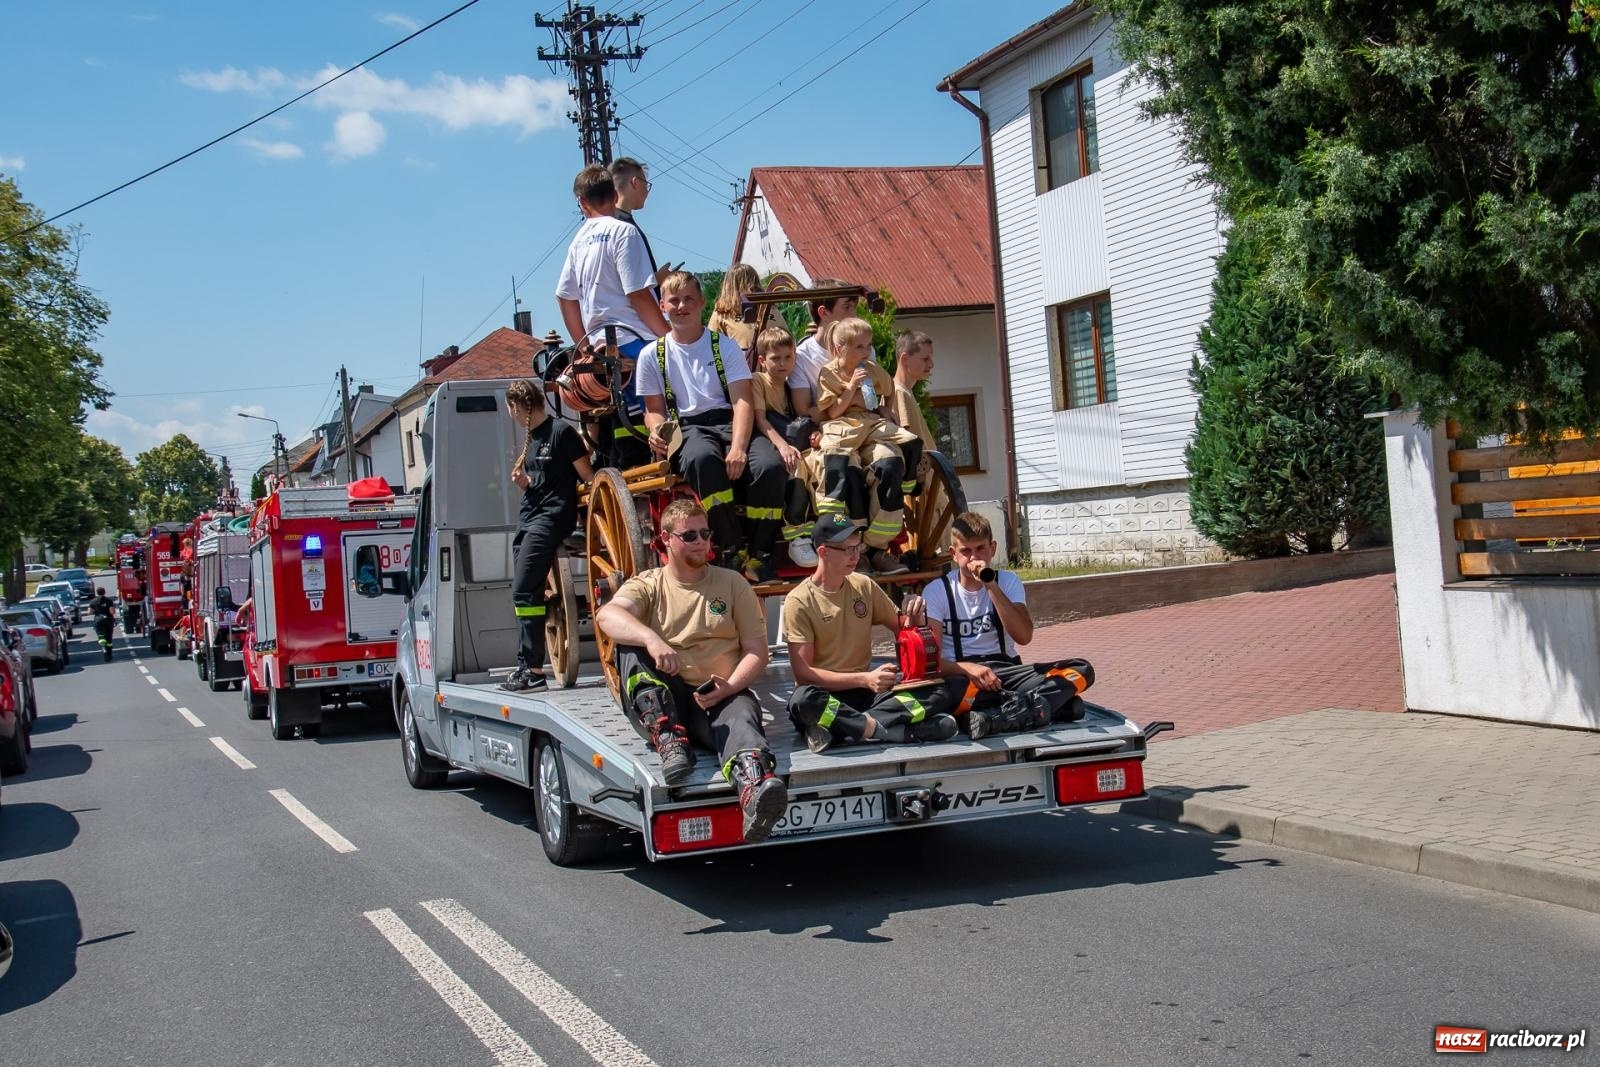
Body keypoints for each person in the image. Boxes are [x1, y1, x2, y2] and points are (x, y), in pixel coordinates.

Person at [594, 499, 788, 842]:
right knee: (630, 645)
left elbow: (757, 653)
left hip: (718, 694)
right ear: (666, 539)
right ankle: (669, 740)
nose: (700, 541)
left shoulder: (732, 583)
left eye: (705, 533)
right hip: (665, 697)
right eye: (690, 535)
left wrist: (729, 687)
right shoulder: (649, 583)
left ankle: (755, 791)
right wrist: (651, 638)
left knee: (741, 715)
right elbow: (607, 616)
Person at [634, 271, 787, 582]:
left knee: (770, 466)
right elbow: (653, 410)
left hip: (729, 422)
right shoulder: (652, 355)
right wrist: (656, 430)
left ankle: (761, 554)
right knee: (703, 460)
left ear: (702, 303)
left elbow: (742, 402)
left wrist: (740, 448)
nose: (681, 306)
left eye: (689, 298)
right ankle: (730, 549)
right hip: (686, 428)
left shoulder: (724, 346)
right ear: (662, 305)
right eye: (674, 300)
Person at [783, 514, 958, 753]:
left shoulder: (863, 585)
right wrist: (865, 679)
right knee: (802, 701)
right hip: (827, 695)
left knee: (939, 692)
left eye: (858, 547)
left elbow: (903, 627)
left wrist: (914, 612)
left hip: (865, 696)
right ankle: (894, 731)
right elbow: (804, 675)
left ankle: (845, 728)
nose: (856, 556)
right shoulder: (799, 601)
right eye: (847, 550)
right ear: (823, 552)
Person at [922, 512, 1095, 738]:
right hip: (964, 677)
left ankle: (998, 718)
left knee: (1081, 670)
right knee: (943, 694)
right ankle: (1038, 708)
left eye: (980, 549)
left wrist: (991, 586)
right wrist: (968, 669)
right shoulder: (937, 591)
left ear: (992, 548)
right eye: (966, 551)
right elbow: (930, 663)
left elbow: (1023, 636)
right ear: (953, 554)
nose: (974, 558)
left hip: (1006, 673)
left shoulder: (1008, 581)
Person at [555, 163, 671, 469]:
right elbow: (637, 294)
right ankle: (664, 464)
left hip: (601, 347)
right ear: (613, 193)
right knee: (670, 402)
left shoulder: (577, 242)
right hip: (634, 338)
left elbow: (565, 298)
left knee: (626, 417)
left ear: (581, 201)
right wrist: (668, 337)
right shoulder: (624, 232)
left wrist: (583, 347)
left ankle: (633, 472)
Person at [502, 379, 594, 692]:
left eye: (510, 409)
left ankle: (533, 671)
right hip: (529, 518)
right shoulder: (534, 436)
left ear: (516, 406)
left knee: (524, 590)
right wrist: (526, 483)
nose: (510, 414)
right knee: (524, 592)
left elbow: (588, 478)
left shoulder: (561, 432)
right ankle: (526, 667)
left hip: (551, 518)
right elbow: (543, 479)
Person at [814, 317, 924, 575]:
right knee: (842, 467)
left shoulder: (872, 369)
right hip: (844, 426)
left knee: (896, 457)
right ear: (841, 349)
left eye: (868, 346)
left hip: (872, 425)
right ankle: (853, 547)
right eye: (860, 347)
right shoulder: (829, 373)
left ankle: (878, 548)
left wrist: (887, 409)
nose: (867, 352)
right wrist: (851, 386)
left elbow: (890, 390)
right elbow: (832, 412)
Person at [750, 325, 820, 568]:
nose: (783, 363)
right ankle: (797, 536)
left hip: (794, 440)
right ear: (762, 360)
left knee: (821, 465)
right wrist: (782, 447)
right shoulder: (758, 381)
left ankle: (830, 529)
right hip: (771, 439)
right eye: (775, 358)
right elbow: (761, 419)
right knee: (794, 468)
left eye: (788, 357)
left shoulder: (794, 383)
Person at [791, 278, 860, 418]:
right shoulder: (802, 357)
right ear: (824, 312)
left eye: (854, 307)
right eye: (847, 307)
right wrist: (851, 401)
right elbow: (805, 413)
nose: (854, 315)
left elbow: (871, 399)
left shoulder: (863, 349)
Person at [610, 157, 664, 295]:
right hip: (633, 314)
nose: (647, 192)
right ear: (635, 182)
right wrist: (659, 278)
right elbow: (632, 285)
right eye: (647, 184)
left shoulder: (607, 223)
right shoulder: (625, 227)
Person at [707, 263, 764, 354]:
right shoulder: (721, 313)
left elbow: (786, 338)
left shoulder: (768, 307)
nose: (751, 287)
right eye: (747, 283)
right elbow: (712, 346)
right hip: (740, 364)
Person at [89, 586, 116, 659]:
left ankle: (103, 648)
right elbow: (112, 611)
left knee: (101, 637)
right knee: (109, 638)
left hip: (98, 621)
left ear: (97, 593)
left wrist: (97, 611)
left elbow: (89, 612)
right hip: (108, 620)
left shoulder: (93, 601)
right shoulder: (109, 600)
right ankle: (109, 654)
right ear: (104, 592)